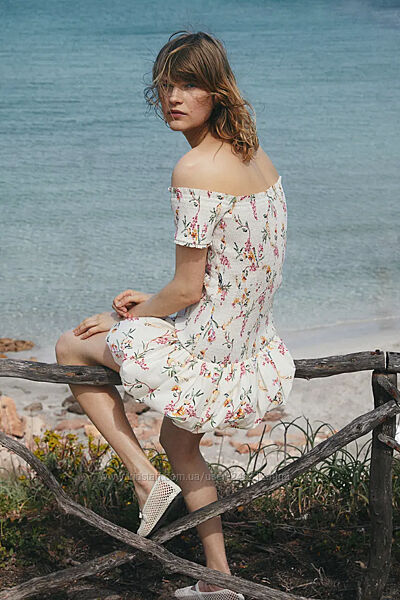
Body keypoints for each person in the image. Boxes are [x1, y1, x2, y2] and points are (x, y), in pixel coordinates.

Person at [55, 30, 296, 599]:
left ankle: (144, 479)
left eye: (189, 85)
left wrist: (126, 322)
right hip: (246, 344)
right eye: (166, 86)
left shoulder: (194, 169)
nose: (173, 97)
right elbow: (234, 270)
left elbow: (188, 286)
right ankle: (219, 581)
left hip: (205, 349)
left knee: (70, 345)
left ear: (217, 90)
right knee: (179, 441)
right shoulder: (256, 158)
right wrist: (152, 306)